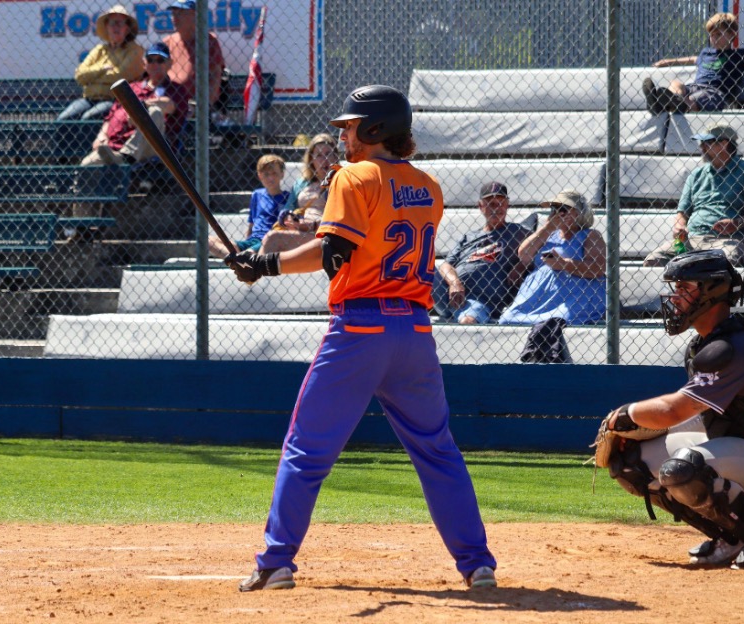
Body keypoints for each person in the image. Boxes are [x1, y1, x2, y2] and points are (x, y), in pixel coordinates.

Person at [224, 85, 498, 592]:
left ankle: (276, 560)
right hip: (415, 331)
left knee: (306, 448)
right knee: (438, 451)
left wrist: (264, 264)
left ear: (375, 129)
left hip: (360, 329)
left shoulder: (354, 176)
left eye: (350, 127)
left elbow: (334, 254)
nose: (343, 135)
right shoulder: (429, 185)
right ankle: (477, 563)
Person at [602, 249, 744, 568]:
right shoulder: (706, 345)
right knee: (633, 459)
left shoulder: (737, 347)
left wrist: (624, 414)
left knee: (683, 468)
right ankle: (732, 535)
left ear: (711, 293)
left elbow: (675, 411)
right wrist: (628, 431)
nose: (675, 297)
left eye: (685, 289)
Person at [643, 123, 744, 268]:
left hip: (729, 240)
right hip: (692, 239)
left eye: (707, 142)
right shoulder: (696, 175)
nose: (702, 147)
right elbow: (682, 212)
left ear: (724, 144)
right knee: (653, 260)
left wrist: (736, 223)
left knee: (727, 262)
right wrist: (679, 227)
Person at [498, 189, 606, 326]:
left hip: (574, 294)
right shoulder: (546, 234)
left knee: (561, 321)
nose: (558, 213)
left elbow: (598, 268)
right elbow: (524, 254)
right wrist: (548, 228)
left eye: (564, 209)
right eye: (555, 209)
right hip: (538, 296)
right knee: (508, 319)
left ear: (578, 213)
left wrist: (564, 264)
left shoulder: (590, 235)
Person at [432, 181, 531, 324]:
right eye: (491, 204)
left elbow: (538, 249)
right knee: (419, 265)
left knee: (468, 321)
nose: (496, 208)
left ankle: (459, 315)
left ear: (507, 205)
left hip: (478, 300)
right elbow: (446, 266)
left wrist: (522, 265)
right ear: (480, 206)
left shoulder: (519, 233)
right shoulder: (469, 236)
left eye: (500, 203)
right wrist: (455, 283)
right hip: (447, 292)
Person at [81, 42, 189, 167]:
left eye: (160, 60)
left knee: (155, 111)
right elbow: (110, 117)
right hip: (113, 147)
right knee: (85, 166)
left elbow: (169, 105)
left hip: (152, 147)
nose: (155, 64)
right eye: (150, 60)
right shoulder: (132, 87)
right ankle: (76, 185)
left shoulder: (175, 89)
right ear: (144, 63)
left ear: (169, 64)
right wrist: (101, 137)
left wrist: (138, 108)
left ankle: (127, 157)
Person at [643, 13, 744, 115]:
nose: (714, 38)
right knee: (676, 84)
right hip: (694, 87)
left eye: (719, 34)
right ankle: (671, 102)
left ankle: (672, 105)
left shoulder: (739, 54)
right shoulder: (706, 53)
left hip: (715, 92)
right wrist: (667, 62)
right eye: (712, 35)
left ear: (731, 34)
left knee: (699, 97)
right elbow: (692, 59)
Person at [57, 5, 145, 121]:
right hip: (89, 98)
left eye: (119, 23)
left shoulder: (134, 50)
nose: (115, 27)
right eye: (112, 23)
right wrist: (102, 69)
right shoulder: (100, 50)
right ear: (107, 27)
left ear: (127, 29)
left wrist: (92, 77)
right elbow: (79, 75)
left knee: (88, 119)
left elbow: (119, 77)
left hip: (115, 100)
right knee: (63, 119)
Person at [259, 133, 340, 255]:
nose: (325, 160)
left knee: (273, 238)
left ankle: (251, 269)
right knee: (270, 237)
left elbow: (341, 220)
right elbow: (287, 209)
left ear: (335, 157)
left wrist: (312, 225)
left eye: (328, 153)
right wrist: (289, 218)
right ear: (311, 160)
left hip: (324, 236)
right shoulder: (302, 183)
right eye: (319, 155)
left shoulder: (342, 181)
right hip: (300, 231)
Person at [207, 154, 288, 257]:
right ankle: (242, 260)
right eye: (266, 174)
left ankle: (242, 259)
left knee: (246, 253)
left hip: (271, 241)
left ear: (282, 174)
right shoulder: (257, 195)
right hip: (253, 240)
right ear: (259, 176)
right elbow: (252, 223)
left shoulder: (288, 198)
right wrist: (247, 241)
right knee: (209, 241)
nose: (270, 178)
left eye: (274, 173)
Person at [163, 0, 226, 107]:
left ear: (194, 15)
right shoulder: (168, 42)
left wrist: (206, 105)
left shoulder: (208, 41)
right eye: (173, 13)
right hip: (170, 101)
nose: (175, 17)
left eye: (180, 13)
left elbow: (215, 76)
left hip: (196, 104)